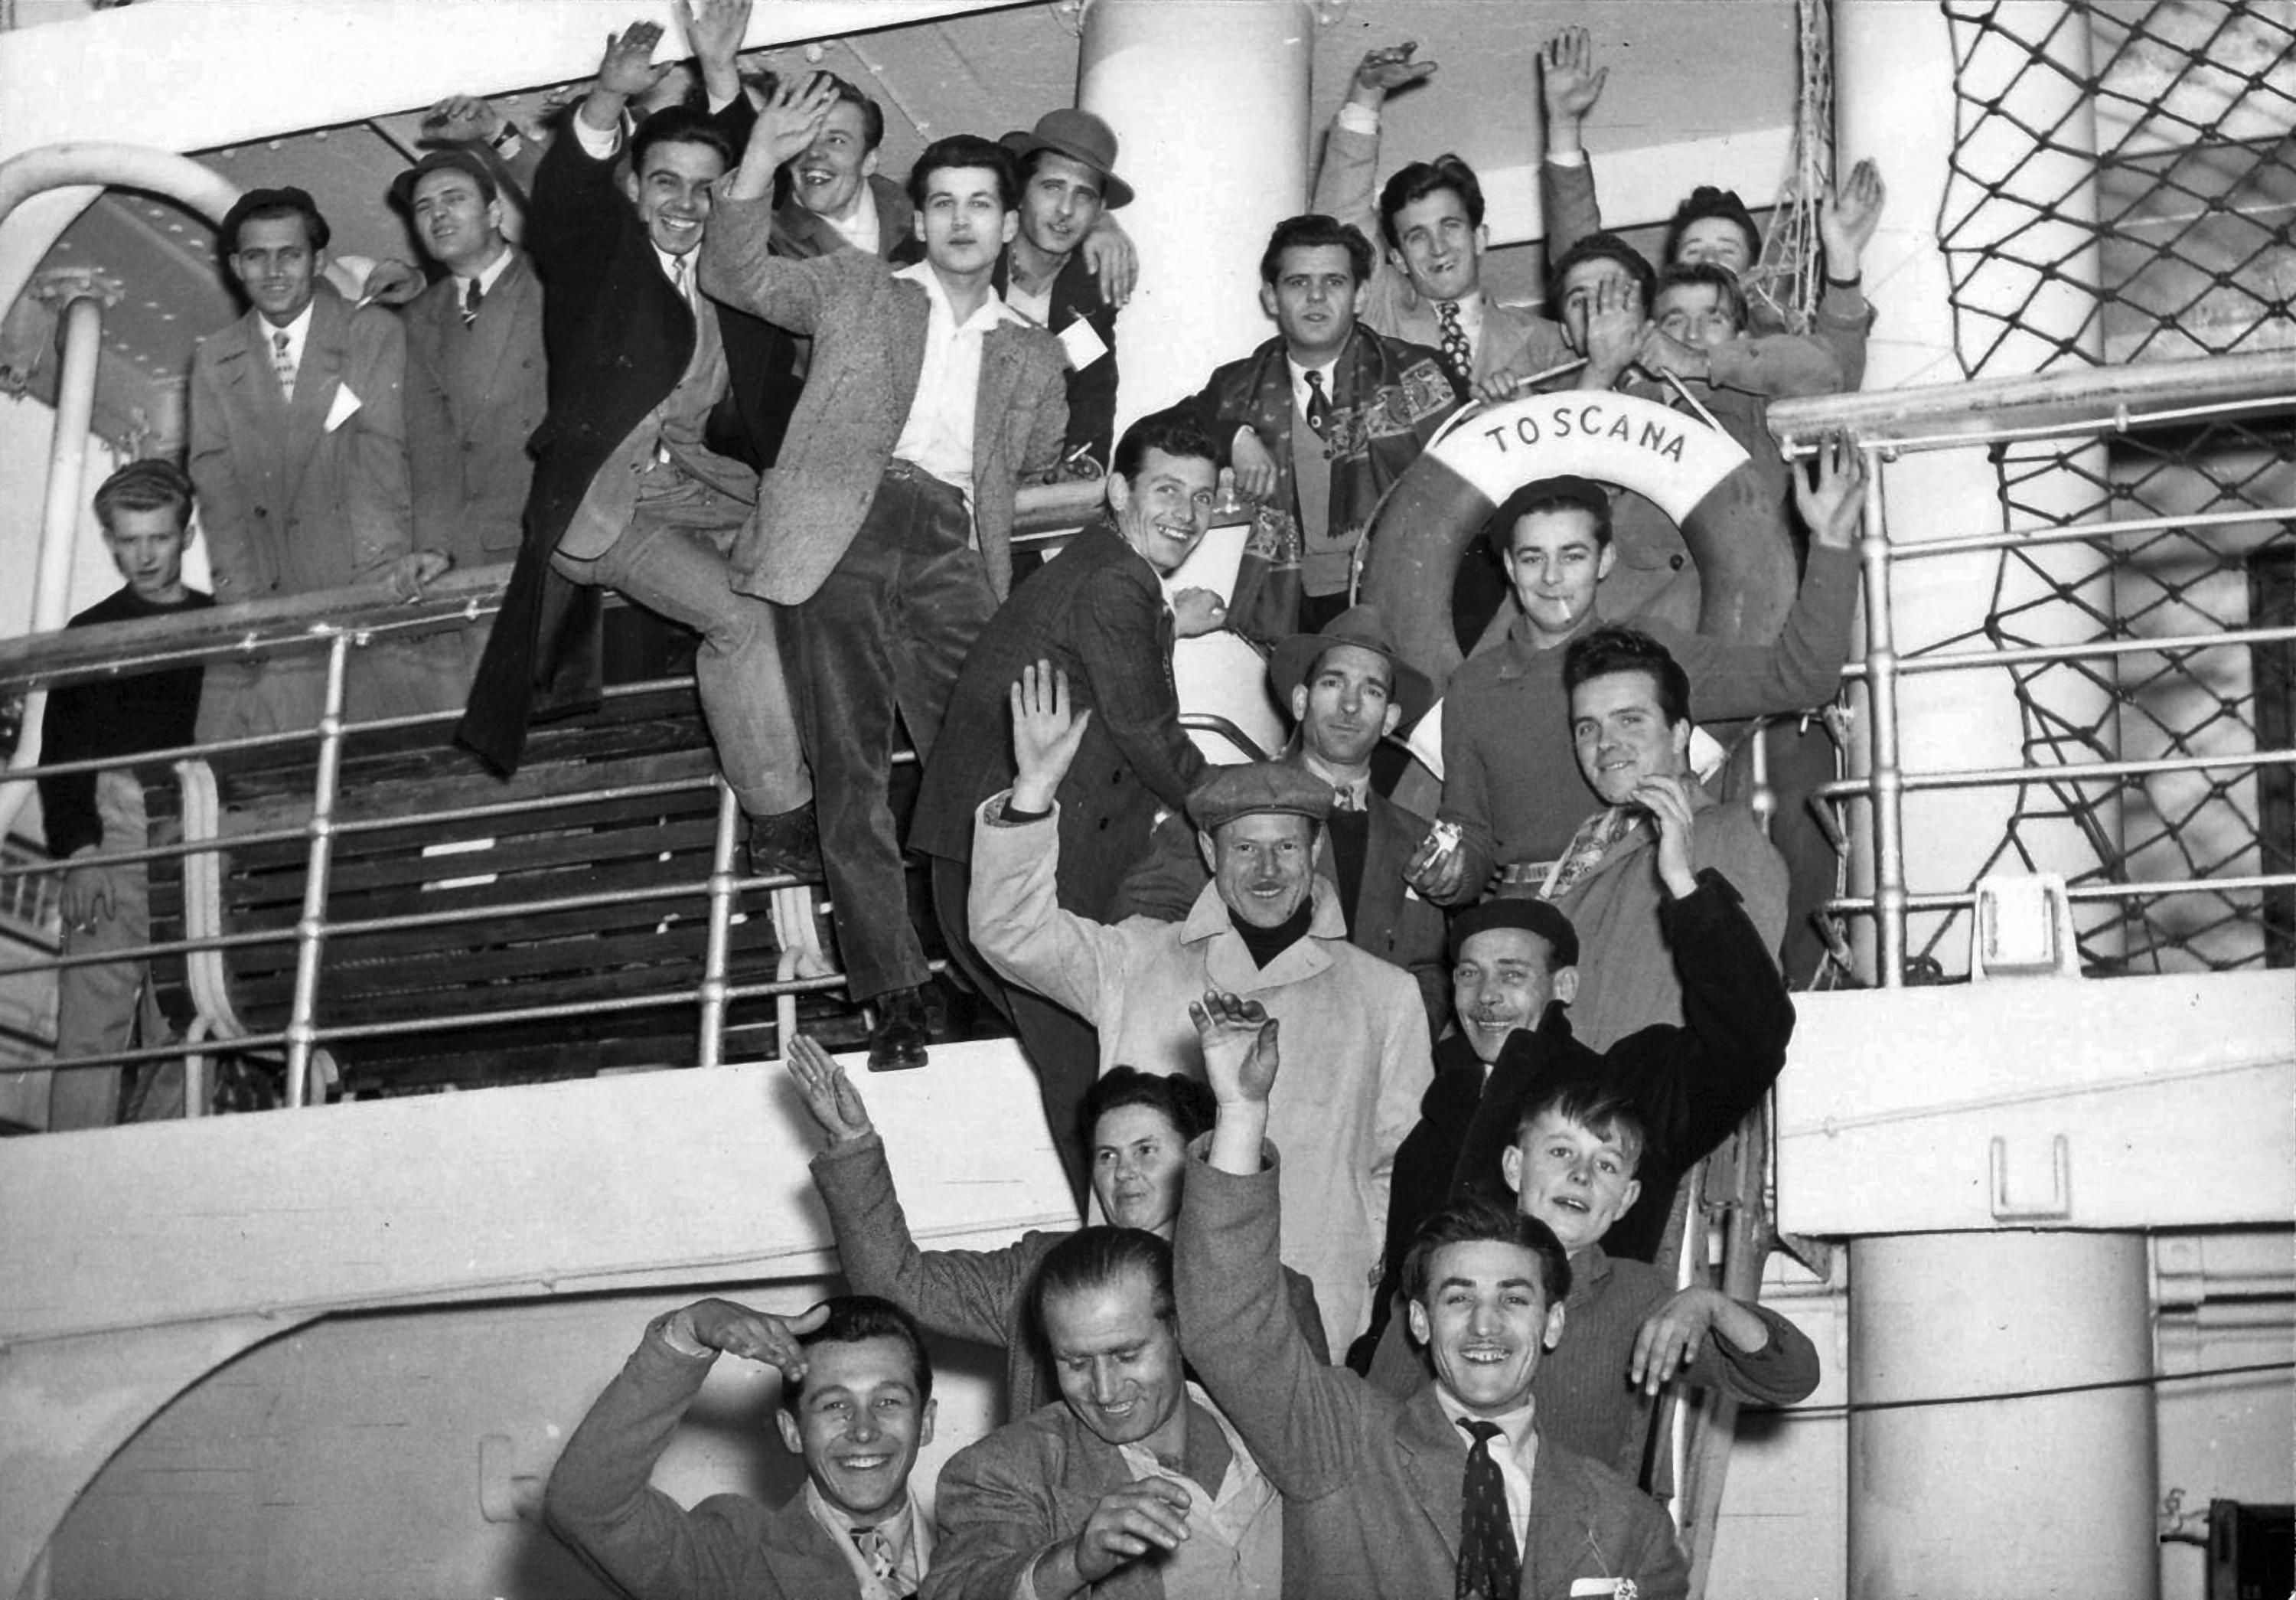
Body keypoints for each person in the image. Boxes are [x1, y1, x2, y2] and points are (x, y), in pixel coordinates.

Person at [700, 81, 1068, 1069]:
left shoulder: (1031, 348)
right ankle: (896, 990)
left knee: (986, 768)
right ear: (923, 213)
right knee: (850, 772)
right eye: (941, 200)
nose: (959, 220)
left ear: (1006, 222)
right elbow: (736, 273)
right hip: (843, 532)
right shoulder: (857, 283)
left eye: (979, 204)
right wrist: (758, 160)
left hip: (951, 543)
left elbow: (1037, 449)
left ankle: (998, 968)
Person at [970, 665, 1432, 1345]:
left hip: (1309, 1316)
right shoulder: (1136, 959)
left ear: (1316, 851)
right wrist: (1033, 792)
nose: (1267, 870)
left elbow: (1397, 1160)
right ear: (1208, 852)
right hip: (1145, 1314)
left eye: (1285, 847)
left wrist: (1365, 1267)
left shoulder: (1384, 996)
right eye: (1245, 848)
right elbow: (1011, 931)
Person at [1176, 992, 1690, 1599]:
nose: (1485, 1325)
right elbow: (1229, 1326)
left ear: (1553, 1323)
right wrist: (1240, 1112)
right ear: (1418, 1321)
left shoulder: (1631, 1530)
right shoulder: (1342, 1444)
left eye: (1515, 1300)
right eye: (1457, 1298)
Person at [456, 5, 812, 877]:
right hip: (606, 503)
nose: (685, 204)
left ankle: (821, 776)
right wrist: (608, 100)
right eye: (664, 184)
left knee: (822, 579)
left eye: (703, 188)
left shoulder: (737, 264)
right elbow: (568, 195)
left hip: (707, 488)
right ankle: (782, 820)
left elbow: (748, 186)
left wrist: (724, 72)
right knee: (739, 617)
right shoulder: (600, 254)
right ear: (634, 188)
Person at [1359, 795, 1793, 1362]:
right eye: (1470, 975)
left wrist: (1688, 890)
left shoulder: (1621, 1091)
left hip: (1574, 1400)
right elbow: (1399, 1306)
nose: (1487, 996)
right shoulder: (1435, 1122)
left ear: (1563, 987)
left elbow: (1752, 1038)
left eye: (1512, 974)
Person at [909, 411, 1218, 1179]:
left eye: (1205, 497)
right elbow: (1147, 730)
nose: (1188, 511)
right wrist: (1245, 802)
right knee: (1091, 1072)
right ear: (1117, 490)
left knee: (1093, 1064)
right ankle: (1120, 1248)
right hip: (1009, 857)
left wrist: (1178, 619)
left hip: (993, 855)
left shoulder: (1108, 571)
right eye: (1167, 489)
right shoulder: (1115, 580)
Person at [786, 1035, 1327, 1423]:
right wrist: (853, 1144)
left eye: (1146, 1151)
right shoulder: (1038, 1270)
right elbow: (897, 1285)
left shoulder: (1275, 1294)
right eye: (1107, 1156)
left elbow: (1308, 1441)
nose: (1124, 1173)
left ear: (1196, 1158)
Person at [1419, 439, 1867, 907]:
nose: (1552, 577)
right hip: (1524, 919)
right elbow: (1468, 831)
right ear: (1511, 566)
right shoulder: (1474, 687)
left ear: (1605, 560)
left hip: (1638, 902)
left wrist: (1832, 546)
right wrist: (1448, 876)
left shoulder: (1650, 653)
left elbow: (1801, 679)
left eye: (1572, 556)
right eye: (1533, 558)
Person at [1364, 1077, 1821, 1485]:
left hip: (1582, 1558)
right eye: (1561, 1152)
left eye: (1605, 1165)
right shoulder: (1443, 1286)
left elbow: (1789, 1377)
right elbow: (1373, 1435)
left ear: (1626, 1199)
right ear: (1514, 1168)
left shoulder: (1640, 1299)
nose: (1581, 1175)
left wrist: (1711, 1306)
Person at [188, 184, 451, 741]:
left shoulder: (370, 332)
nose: (274, 271)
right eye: (256, 256)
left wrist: (383, 585)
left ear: (319, 260)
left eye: (290, 253)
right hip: (277, 610)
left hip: (369, 595)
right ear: (236, 265)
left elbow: (388, 458)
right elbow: (221, 501)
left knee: (392, 762)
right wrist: (248, 614)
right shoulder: (215, 360)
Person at [1111, 604, 1448, 1029]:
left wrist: (1398, 1045)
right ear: (1302, 701)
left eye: (1372, 691)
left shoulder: (1417, 840)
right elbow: (1142, 920)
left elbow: (1429, 973)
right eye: (1333, 682)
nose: (1349, 706)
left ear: (1390, 720)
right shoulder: (1226, 799)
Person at [926, 1228, 1282, 1600]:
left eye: (1126, 1356)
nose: (1105, 1390)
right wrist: (1073, 1564)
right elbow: (957, 1590)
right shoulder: (1002, 1472)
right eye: (1076, 1363)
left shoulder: (1274, 1425)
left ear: (1180, 1330)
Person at [1539, 24, 1886, 393]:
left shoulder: (1773, 345)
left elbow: (1838, 373)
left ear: (1754, 270)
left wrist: (1843, 262)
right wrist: (1563, 127)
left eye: (1726, 250)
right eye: (1694, 250)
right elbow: (1583, 261)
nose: (1710, 258)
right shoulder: (1638, 358)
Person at [1178, 214, 1461, 641]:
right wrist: (1233, 436)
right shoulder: (1237, 386)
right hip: (1302, 607)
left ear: (1361, 295)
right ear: (1271, 298)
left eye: (1334, 282)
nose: (1316, 297)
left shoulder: (1422, 370)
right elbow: (1151, 434)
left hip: (1421, 591)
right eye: (1297, 283)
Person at [546, 1294, 938, 1599]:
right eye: (835, 1405)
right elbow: (587, 1506)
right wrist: (688, 1333)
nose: (864, 1430)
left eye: (888, 1401)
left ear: (926, 1423)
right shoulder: (735, 1559)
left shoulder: (984, 1546)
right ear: (793, 1431)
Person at [36, 460, 212, 1130]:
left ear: (186, 536)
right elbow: (61, 760)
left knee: (194, 1019)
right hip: (115, 835)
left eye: (158, 538)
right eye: (128, 540)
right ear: (111, 541)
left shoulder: (218, 623)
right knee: (89, 1031)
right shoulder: (89, 631)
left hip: (197, 832)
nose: (142, 555)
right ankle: (68, 1185)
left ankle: (158, 1180)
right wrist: (79, 854)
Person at [1312, 42, 1574, 397]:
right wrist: (1366, 98)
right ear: (1399, 259)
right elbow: (1338, 228)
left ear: (1480, 237)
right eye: (1417, 236)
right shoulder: (1383, 314)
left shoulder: (1547, 342)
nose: (1438, 248)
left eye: (1450, 226)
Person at [394, 146, 546, 685]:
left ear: (495, 213)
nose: (438, 215)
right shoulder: (415, 319)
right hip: (467, 557)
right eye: (424, 207)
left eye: (454, 200)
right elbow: (427, 448)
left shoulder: (554, 284)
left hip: (549, 543)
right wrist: (432, 545)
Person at [996, 109, 1132, 475]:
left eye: (1084, 196)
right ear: (1020, 191)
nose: (1066, 210)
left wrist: (1083, 462)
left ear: (1099, 211)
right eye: (1052, 187)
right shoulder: (974, 253)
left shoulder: (1084, 291)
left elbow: (1093, 390)